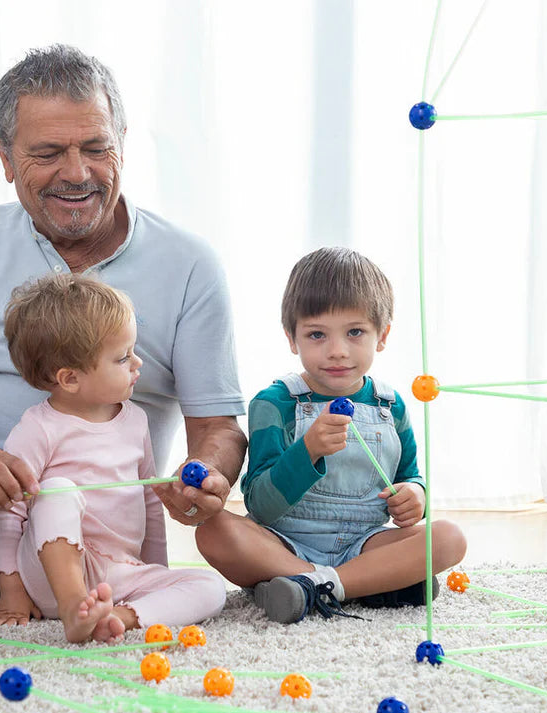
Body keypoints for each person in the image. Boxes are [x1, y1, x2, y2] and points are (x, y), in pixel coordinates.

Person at [0, 44, 246, 635]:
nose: (76, 173)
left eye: (96, 148)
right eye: (48, 153)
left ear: (123, 144)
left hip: (54, 536)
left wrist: (206, 474)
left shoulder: (189, 265)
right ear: (5, 157)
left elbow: (219, 431)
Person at [195, 247, 467, 623]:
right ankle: (363, 585)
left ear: (382, 335)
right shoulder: (275, 403)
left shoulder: (391, 406)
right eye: (317, 334)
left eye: (355, 332)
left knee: (450, 538)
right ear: (292, 338)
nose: (337, 351)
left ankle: (312, 587)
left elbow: (410, 476)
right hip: (284, 543)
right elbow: (260, 504)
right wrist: (307, 451)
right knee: (213, 530)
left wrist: (414, 496)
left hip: (364, 543)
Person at [0, 273, 225, 643]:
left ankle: (118, 617)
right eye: (123, 357)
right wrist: (11, 590)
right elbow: (7, 510)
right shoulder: (38, 428)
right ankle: (73, 608)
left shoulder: (136, 421)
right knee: (57, 490)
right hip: (52, 577)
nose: (138, 363)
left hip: (120, 575)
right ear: (69, 379)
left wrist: (155, 572)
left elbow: (149, 497)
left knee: (210, 586)